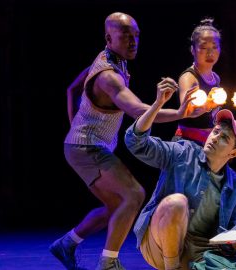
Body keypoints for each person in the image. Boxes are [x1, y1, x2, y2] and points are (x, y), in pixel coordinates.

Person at [49, 12, 194, 270]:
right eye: (125, 35)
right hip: (87, 147)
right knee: (134, 194)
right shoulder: (109, 76)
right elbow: (138, 110)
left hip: (84, 145)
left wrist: (75, 127)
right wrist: (177, 111)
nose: (133, 41)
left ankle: (67, 243)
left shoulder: (109, 59)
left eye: (136, 35)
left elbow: (72, 89)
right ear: (109, 37)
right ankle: (108, 262)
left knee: (116, 205)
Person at [124, 93, 236, 269]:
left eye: (224, 138)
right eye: (216, 131)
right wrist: (157, 105)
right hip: (159, 246)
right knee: (176, 203)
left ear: (234, 152)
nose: (215, 137)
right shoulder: (182, 152)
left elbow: (231, 242)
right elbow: (136, 143)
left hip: (201, 255)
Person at [173, 18, 223, 145]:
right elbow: (187, 111)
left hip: (209, 143)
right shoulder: (188, 78)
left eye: (214, 47)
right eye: (204, 47)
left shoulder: (216, 77)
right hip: (188, 143)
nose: (210, 52)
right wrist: (208, 105)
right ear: (192, 49)